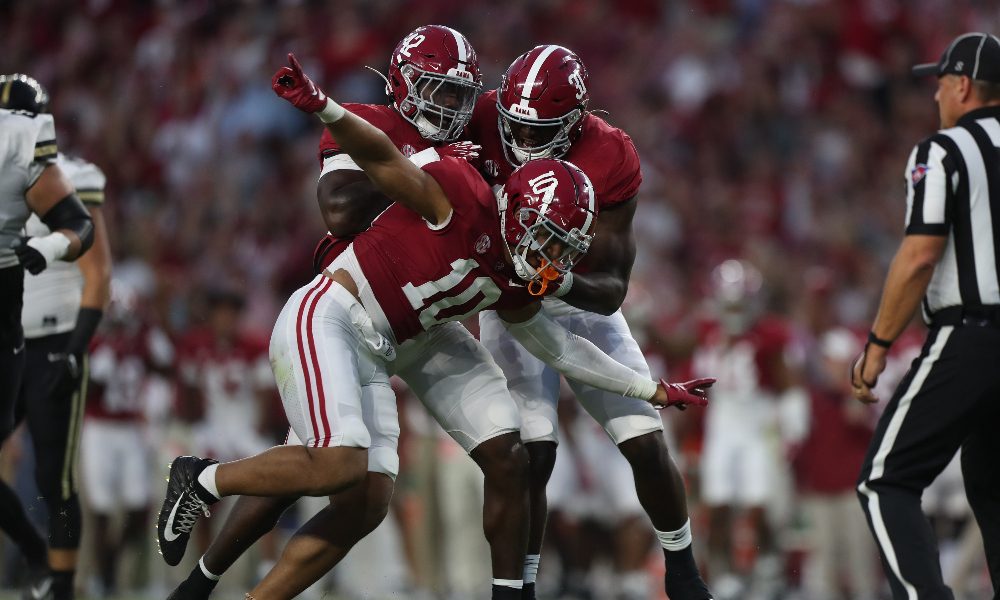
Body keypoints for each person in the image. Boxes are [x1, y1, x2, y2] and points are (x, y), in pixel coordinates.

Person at [156, 54, 714, 600]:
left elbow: (562, 347)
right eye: (546, 241)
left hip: (420, 331)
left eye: (561, 248)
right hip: (341, 318)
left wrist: (653, 389)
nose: (552, 259)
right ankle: (203, 480)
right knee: (333, 462)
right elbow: (383, 163)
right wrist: (323, 106)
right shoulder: (460, 191)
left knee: (445, 474)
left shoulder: (521, 272)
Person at [167, 25, 538, 600]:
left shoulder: (476, 140)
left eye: (459, 95)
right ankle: (200, 575)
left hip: (429, 318)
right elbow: (339, 210)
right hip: (358, 306)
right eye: (438, 91)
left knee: (384, 489)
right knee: (322, 465)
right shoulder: (373, 126)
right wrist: (431, 164)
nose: (451, 107)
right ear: (404, 86)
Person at [471, 45, 713, 599]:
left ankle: (683, 573)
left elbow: (611, 292)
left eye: (542, 130)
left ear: (576, 121)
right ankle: (521, 587)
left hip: (576, 300)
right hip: (508, 304)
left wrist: (557, 281)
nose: (523, 141)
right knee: (532, 453)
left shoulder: (610, 153)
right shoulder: (481, 117)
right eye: (515, 127)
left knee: (644, 442)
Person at [852, 31, 1000, 600]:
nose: (937, 96)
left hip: (972, 336)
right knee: (992, 488)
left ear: (962, 85)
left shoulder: (944, 150)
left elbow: (919, 254)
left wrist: (878, 345)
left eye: (941, 83)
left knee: (885, 481)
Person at [2, 73, 113, 600]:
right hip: (9, 340)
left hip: (52, 340)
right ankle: (36, 557)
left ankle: (62, 585)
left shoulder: (70, 176)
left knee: (54, 477)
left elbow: (99, 271)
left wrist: (76, 348)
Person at [689, 259, 806, 599]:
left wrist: (792, 424)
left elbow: (787, 381)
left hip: (757, 424)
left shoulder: (769, 334)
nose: (734, 310)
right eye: (729, 302)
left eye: (740, 302)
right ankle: (725, 573)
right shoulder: (706, 330)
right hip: (722, 424)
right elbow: (682, 358)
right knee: (718, 504)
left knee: (759, 504)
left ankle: (768, 565)